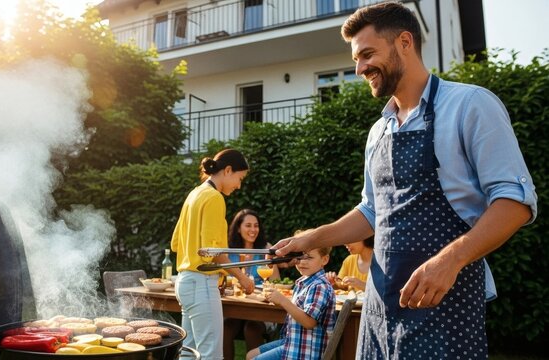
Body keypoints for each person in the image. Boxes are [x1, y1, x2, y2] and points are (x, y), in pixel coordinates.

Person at [272, 2, 537, 359]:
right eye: (356, 59)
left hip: (445, 306)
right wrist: (314, 238)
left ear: (405, 42)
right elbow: (371, 212)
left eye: (367, 54)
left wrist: (449, 261)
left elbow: (515, 203)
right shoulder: (378, 130)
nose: (359, 67)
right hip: (379, 306)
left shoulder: (471, 105)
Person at [171, 149, 255, 360]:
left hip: (184, 282)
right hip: (201, 284)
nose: (239, 185)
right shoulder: (214, 198)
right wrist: (242, 278)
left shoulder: (194, 194)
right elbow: (213, 252)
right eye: (239, 178)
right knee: (211, 355)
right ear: (228, 170)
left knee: (188, 353)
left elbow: (175, 244)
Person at [245, 247, 335, 360]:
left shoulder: (319, 286)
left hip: (305, 351)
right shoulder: (304, 282)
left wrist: (283, 301)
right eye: (299, 257)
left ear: (324, 260)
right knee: (251, 355)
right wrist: (279, 301)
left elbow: (309, 322)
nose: (302, 261)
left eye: (309, 257)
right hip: (293, 341)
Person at [223, 209, 280, 359]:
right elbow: (223, 281)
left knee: (252, 328)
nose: (253, 230)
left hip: (259, 307)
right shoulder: (228, 251)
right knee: (226, 327)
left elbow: (275, 282)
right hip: (236, 305)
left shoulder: (265, 248)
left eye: (256, 225)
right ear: (238, 228)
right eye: (248, 225)